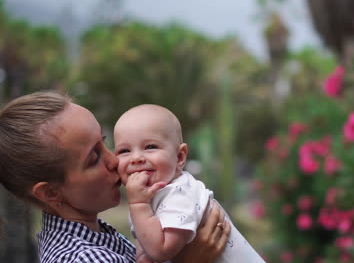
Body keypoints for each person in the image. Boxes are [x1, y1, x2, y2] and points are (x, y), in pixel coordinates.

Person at [0, 91, 231, 263]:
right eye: (94, 158)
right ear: (50, 193)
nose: (115, 161)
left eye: (105, 142)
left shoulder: (95, 233)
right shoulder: (83, 258)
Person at [113, 104, 265, 263]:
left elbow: (160, 250)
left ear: (179, 157)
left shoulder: (179, 193)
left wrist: (139, 204)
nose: (136, 158)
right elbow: (147, 250)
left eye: (150, 147)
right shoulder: (153, 197)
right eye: (124, 151)